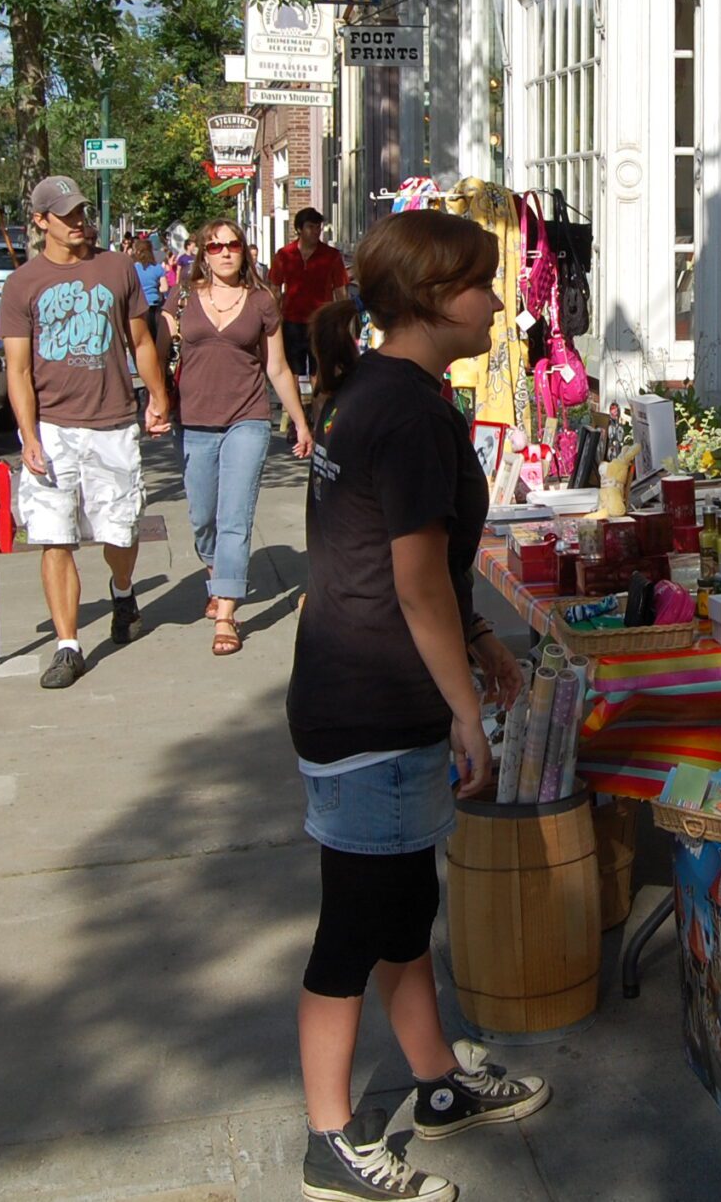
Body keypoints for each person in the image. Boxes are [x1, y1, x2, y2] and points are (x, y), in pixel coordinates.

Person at [288, 211, 548, 1202]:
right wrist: (464, 709)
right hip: (372, 704)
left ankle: (435, 1079)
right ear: (434, 299)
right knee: (354, 926)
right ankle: (330, 1139)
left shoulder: (382, 392)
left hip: (359, 693)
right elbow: (413, 583)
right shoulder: (404, 411)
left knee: (405, 908)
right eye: (483, 284)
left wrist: (481, 644)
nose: (497, 301)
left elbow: (409, 561)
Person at [0, 175, 173, 691]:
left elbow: (141, 342)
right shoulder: (22, 284)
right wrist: (27, 435)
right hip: (52, 427)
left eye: (81, 213)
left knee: (119, 530)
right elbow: (17, 370)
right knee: (55, 536)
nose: (79, 222)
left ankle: (122, 591)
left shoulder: (117, 268)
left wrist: (158, 396)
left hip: (113, 421)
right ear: (41, 221)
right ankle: (68, 646)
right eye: (67, 215)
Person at [167, 219, 312, 657]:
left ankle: (227, 611)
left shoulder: (262, 301)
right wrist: (155, 401)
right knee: (203, 517)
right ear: (203, 253)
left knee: (235, 515)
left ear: (245, 251)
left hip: (247, 419)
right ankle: (217, 570)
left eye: (233, 245)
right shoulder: (183, 298)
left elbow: (278, 368)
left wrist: (300, 422)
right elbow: (158, 353)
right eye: (215, 246)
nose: (225, 252)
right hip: (193, 420)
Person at [270, 207, 351, 387]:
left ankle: (318, 412)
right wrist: (274, 321)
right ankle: (294, 413)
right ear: (299, 229)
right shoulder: (284, 255)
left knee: (320, 371)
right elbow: (275, 289)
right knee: (292, 372)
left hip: (320, 322)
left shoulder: (331, 256)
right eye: (311, 227)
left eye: (318, 227)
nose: (316, 231)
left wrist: (342, 322)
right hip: (292, 321)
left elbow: (341, 291)